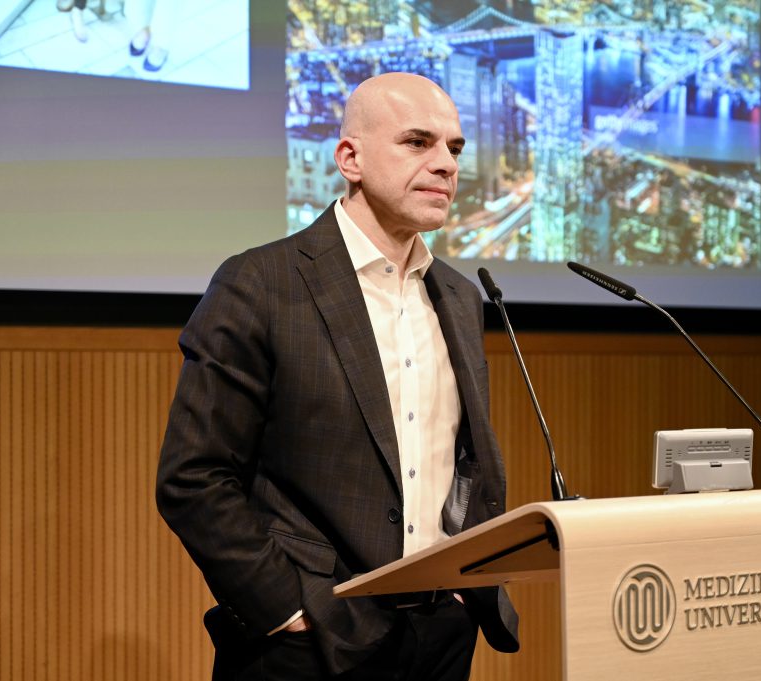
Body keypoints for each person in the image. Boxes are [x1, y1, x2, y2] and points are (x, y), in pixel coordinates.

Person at [156, 72, 519, 680]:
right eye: (417, 142)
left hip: (439, 635)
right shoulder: (261, 283)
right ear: (350, 158)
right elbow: (194, 476)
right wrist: (284, 609)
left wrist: (461, 595)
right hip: (310, 643)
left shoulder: (459, 296)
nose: (446, 165)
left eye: (454, 149)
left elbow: (462, 464)